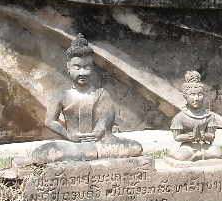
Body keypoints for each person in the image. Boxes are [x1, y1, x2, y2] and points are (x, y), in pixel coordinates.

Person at [29, 34, 143, 163]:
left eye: (87, 67)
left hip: (100, 143)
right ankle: (82, 154)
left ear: (92, 70)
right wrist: (69, 135)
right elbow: (50, 121)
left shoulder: (101, 93)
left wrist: (98, 131)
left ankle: (84, 155)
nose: (82, 72)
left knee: (135, 148)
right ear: (68, 68)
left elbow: (108, 117)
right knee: (40, 154)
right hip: (73, 144)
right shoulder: (61, 96)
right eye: (77, 68)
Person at [168, 71, 222, 161]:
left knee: (218, 153)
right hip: (188, 146)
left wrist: (203, 136)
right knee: (181, 156)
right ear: (185, 96)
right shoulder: (180, 117)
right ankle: (178, 153)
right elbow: (177, 137)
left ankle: (200, 155)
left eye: (200, 94)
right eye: (192, 94)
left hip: (204, 146)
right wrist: (190, 137)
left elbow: (212, 137)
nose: (196, 99)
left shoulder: (209, 116)